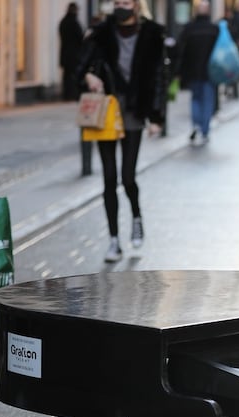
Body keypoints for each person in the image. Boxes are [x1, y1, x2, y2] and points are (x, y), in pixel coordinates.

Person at [76, 0, 166, 262]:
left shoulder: (152, 34)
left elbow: (160, 77)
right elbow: (78, 68)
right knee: (109, 178)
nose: (121, 7)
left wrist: (156, 117)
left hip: (134, 113)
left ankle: (136, 216)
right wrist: (88, 77)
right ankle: (114, 240)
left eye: (125, 2)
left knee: (127, 177)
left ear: (137, 5)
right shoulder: (100, 33)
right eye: (117, 2)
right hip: (106, 112)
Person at [175, 1, 218, 146]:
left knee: (196, 99)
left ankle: (196, 125)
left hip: (193, 71)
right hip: (209, 71)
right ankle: (204, 129)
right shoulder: (214, 29)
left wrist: (180, 71)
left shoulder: (189, 29)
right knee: (207, 100)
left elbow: (180, 50)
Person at [59, 2, 85, 101]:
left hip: (65, 53)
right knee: (74, 75)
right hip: (74, 54)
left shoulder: (63, 22)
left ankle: (66, 95)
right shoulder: (74, 22)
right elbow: (80, 38)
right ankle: (73, 95)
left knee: (67, 76)